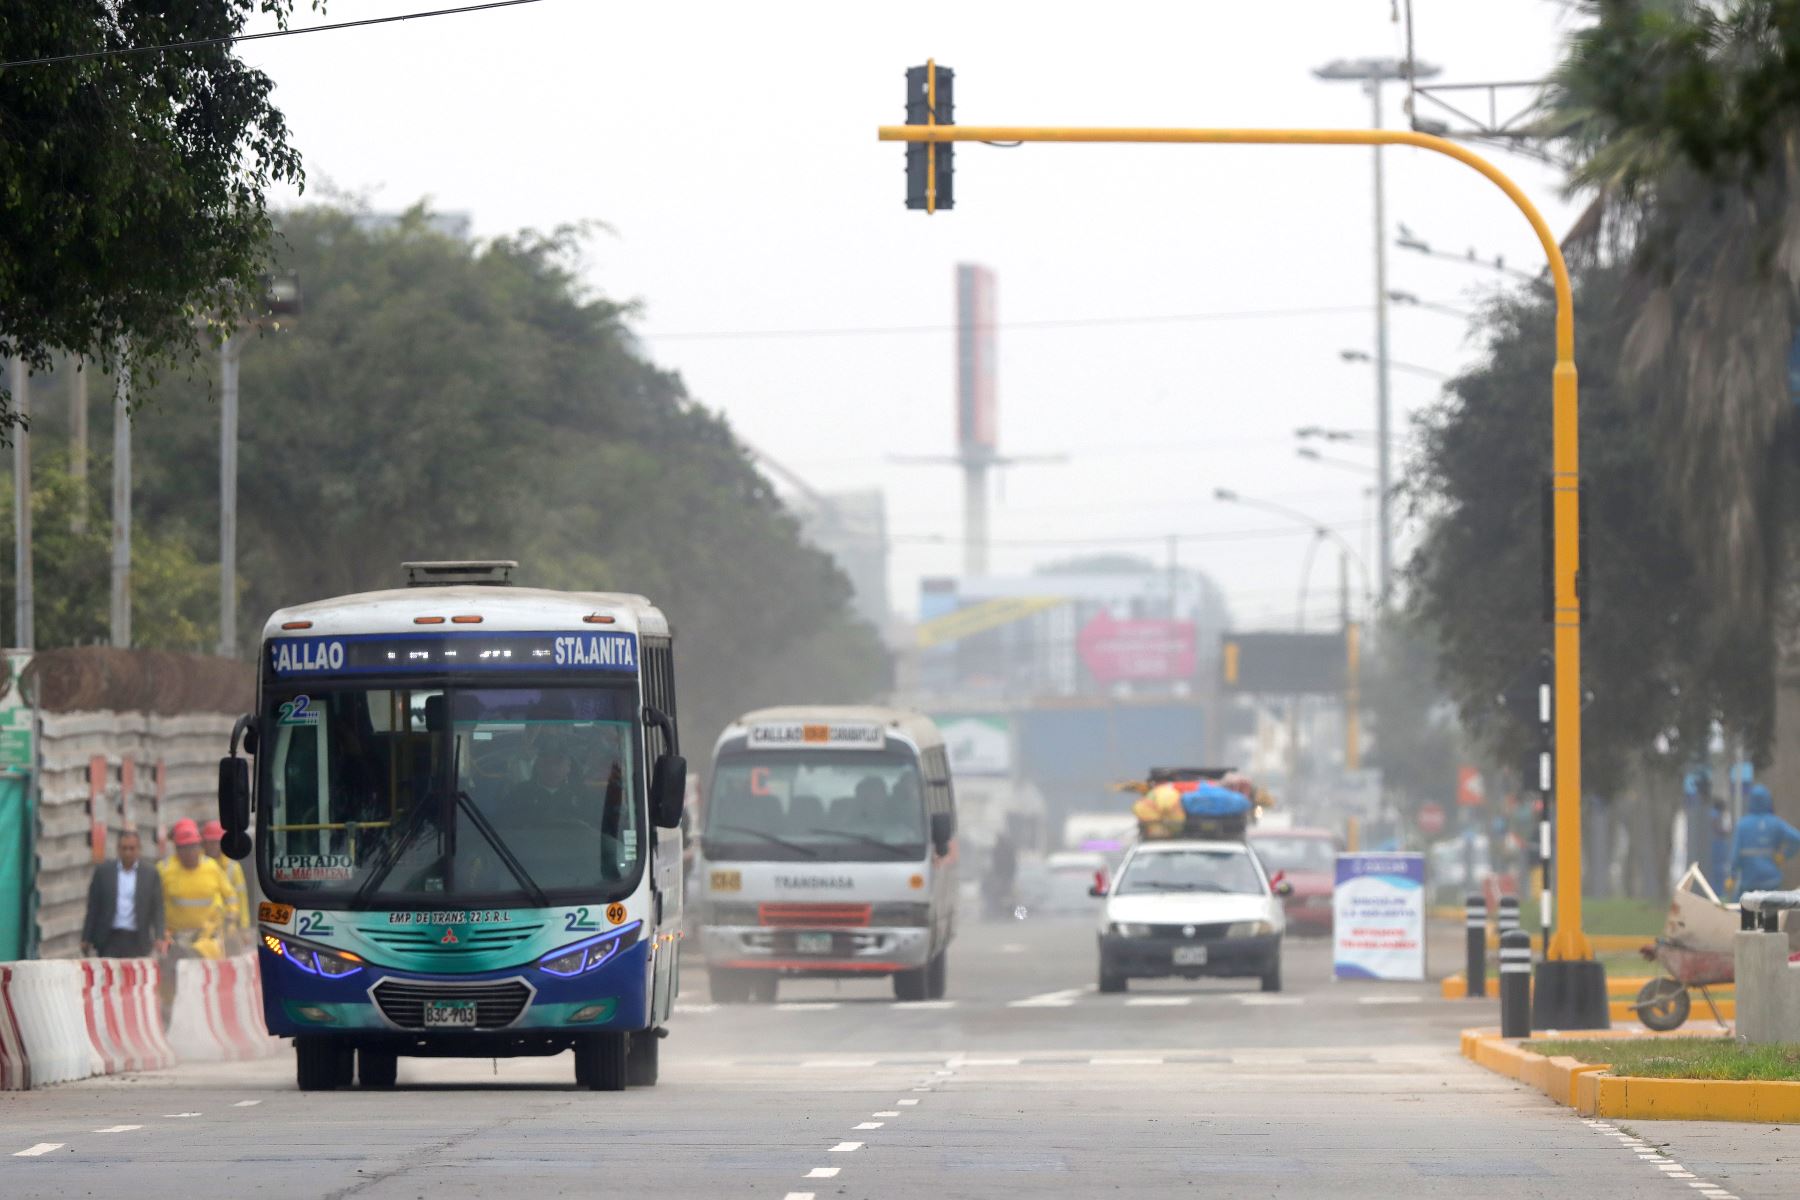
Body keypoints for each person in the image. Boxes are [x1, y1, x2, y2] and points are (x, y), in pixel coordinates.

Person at [81, 829, 165, 958]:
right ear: (118, 849)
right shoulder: (104, 873)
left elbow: (157, 908)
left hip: (137, 939)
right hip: (109, 938)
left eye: (132, 848)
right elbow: (93, 907)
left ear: (139, 849)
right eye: (124, 848)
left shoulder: (150, 874)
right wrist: (86, 937)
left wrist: (159, 936)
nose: (128, 853)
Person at [159, 818, 233, 958]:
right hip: (175, 937)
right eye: (184, 848)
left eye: (193, 847)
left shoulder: (212, 868)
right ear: (177, 849)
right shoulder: (165, 870)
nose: (189, 852)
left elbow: (231, 897)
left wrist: (230, 922)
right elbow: (155, 905)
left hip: (207, 937)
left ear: (199, 847)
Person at [1723, 784, 1800, 900]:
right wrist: (1784, 856)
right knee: (1771, 914)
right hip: (1772, 881)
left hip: (1749, 882)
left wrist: (1732, 876)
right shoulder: (1776, 823)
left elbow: (1735, 854)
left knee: (1746, 913)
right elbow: (1797, 839)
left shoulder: (1743, 825)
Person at [202, 819, 252, 947]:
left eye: (216, 842)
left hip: (228, 928)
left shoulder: (232, 867)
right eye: (210, 842)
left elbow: (242, 899)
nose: (213, 846)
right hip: (203, 928)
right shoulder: (198, 866)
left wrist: (244, 928)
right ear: (204, 843)